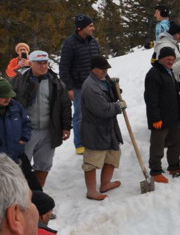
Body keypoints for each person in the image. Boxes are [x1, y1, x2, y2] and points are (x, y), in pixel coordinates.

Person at [10, 50, 71, 188]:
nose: (43, 66)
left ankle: (37, 195)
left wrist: (66, 126)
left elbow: (65, 104)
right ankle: (22, 198)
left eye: (45, 63)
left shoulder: (55, 81)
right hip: (25, 132)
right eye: (39, 63)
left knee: (44, 165)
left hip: (49, 130)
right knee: (21, 166)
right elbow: (8, 105)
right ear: (30, 63)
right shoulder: (18, 81)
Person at [81, 56, 125, 201]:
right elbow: (102, 109)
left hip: (109, 126)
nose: (105, 71)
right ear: (93, 69)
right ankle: (91, 191)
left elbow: (108, 97)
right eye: (102, 69)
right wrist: (117, 106)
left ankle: (105, 184)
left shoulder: (104, 79)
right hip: (95, 128)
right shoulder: (90, 87)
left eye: (107, 68)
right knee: (92, 160)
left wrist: (115, 89)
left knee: (112, 154)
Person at [144, 47, 180, 184]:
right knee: (158, 145)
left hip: (173, 115)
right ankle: (156, 171)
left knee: (176, 141)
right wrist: (155, 118)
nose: (171, 61)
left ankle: (174, 166)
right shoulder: (154, 74)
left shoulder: (169, 72)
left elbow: (172, 90)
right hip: (160, 117)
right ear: (161, 59)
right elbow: (151, 98)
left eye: (172, 59)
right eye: (168, 59)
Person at [59, 14, 101, 155]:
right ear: (81, 28)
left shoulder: (93, 42)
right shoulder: (70, 43)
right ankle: (80, 144)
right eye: (90, 26)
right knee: (80, 116)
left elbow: (100, 63)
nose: (93, 28)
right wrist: (69, 88)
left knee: (96, 113)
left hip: (95, 85)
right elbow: (63, 68)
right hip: (78, 87)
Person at [0, 78, 31, 164]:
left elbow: (26, 123)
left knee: (30, 177)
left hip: (18, 155)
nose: (8, 99)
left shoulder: (16, 106)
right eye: (4, 96)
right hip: (2, 161)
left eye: (9, 96)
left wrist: (24, 137)